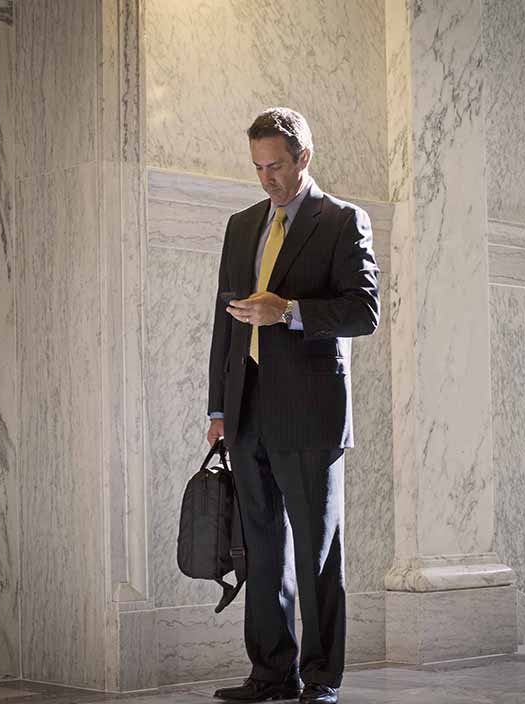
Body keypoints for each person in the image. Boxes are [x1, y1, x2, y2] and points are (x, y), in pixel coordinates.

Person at [206, 107, 379, 704]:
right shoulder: (241, 226)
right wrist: (217, 409)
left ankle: (322, 677)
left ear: (304, 157)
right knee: (261, 549)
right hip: (246, 408)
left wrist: (289, 311)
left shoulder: (342, 221)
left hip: (310, 412)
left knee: (316, 551)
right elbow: (225, 323)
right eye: (258, 167)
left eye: (276, 166)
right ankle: (271, 672)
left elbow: (364, 311)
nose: (267, 179)